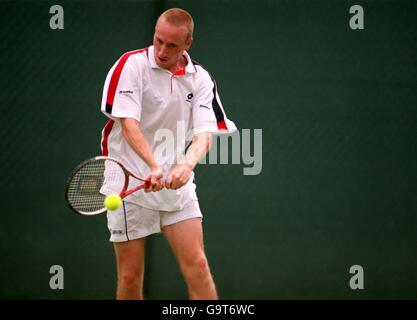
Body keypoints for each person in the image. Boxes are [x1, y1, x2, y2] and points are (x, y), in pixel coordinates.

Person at [100, 8, 236, 300]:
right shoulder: (131, 65)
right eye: (158, 40)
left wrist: (185, 167)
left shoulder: (200, 80)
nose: (162, 50)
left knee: (198, 266)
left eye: (172, 45)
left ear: (188, 43)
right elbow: (128, 125)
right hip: (129, 184)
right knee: (130, 275)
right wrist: (153, 166)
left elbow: (204, 136)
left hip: (176, 188)